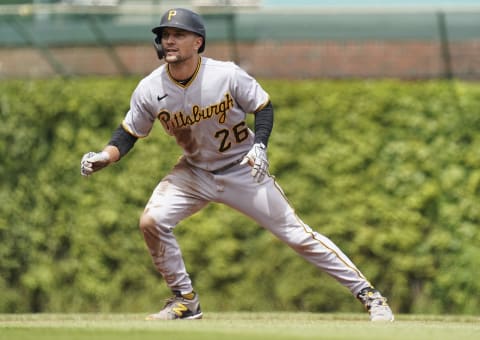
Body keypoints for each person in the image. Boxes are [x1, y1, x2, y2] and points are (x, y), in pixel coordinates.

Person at [80, 8, 394, 322]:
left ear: (198, 42)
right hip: (194, 172)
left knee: (298, 235)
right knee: (152, 221)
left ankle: (370, 295)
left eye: (178, 34)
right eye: (165, 35)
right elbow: (128, 133)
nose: (169, 40)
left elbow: (263, 106)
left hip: (242, 168)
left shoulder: (226, 74)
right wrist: (105, 156)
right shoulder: (150, 88)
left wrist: (260, 145)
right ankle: (185, 301)